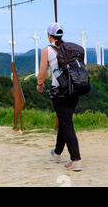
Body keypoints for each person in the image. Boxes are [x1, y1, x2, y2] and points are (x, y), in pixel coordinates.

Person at [37, 22, 82, 171]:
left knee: (67, 123)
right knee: (65, 120)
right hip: (75, 90)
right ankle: (57, 152)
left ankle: (76, 159)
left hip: (60, 92)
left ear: (49, 35)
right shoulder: (71, 48)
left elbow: (42, 73)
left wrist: (40, 84)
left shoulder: (47, 50)